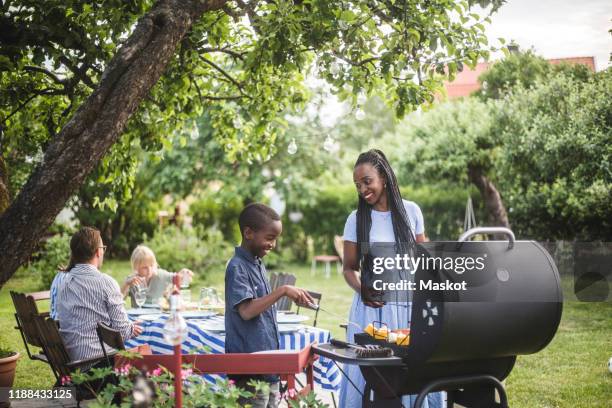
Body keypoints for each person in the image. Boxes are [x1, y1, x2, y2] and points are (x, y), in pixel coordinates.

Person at [339, 149, 444, 407]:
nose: (362, 189)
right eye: (357, 185)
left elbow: (423, 260)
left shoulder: (412, 211)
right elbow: (348, 268)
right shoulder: (356, 219)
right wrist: (362, 288)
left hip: (408, 308)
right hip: (372, 311)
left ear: (384, 177)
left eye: (367, 181)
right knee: (370, 376)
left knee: (410, 371)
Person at [225, 203, 314, 408]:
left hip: (267, 364)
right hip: (249, 367)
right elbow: (246, 311)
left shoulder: (257, 262)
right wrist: (282, 290)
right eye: (269, 238)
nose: (273, 244)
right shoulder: (237, 267)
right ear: (248, 233)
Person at [55, 227, 143, 367]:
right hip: (97, 364)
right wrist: (132, 328)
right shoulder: (105, 282)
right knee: (147, 353)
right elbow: (123, 332)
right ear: (98, 251)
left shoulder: (62, 281)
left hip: (71, 360)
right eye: (103, 247)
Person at [120, 245, 193, 306]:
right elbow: (119, 300)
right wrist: (126, 284)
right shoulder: (132, 280)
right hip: (137, 318)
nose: (149, 270)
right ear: (136, 267)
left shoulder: (160, 275)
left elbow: (178, 278)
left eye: (151, 265)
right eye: (145, 267)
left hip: (157, 317)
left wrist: (184, 274)